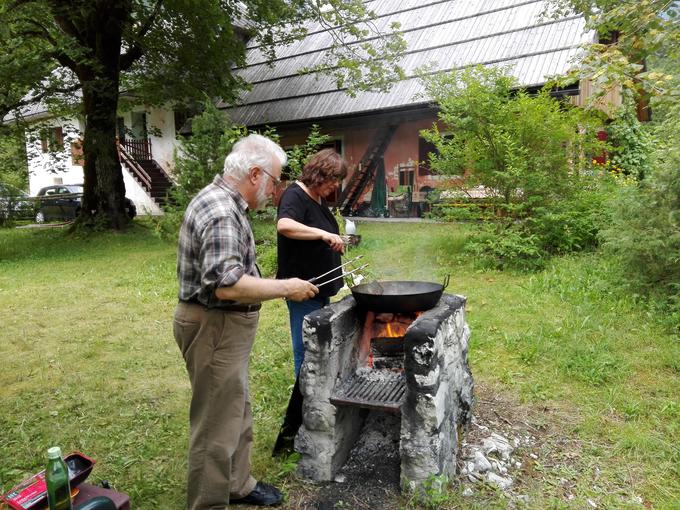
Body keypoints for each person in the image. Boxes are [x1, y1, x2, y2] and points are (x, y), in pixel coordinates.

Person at [173, 133, 318, 510]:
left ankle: (238, 483)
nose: (276, 189)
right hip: (215, 326)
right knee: (215, 424)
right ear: (255, 174)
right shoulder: (222, 210)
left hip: (223, 328)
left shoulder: (227, 203)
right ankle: (208, 502)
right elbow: (226, 284)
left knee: (236, 406)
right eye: (274, 180)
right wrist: (286, 286)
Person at [276, 148, 348, 378]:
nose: (336, 185)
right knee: (306, 349)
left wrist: (334, 241)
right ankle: (303, 402)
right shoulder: (295, 195)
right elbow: (285, 225)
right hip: (302, 287)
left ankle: (318, 392)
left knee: (318, 344)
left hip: (320, 287)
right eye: (334, 179)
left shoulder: (317, 197)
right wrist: (321, 234)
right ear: (320, 174)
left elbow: (316, 234)